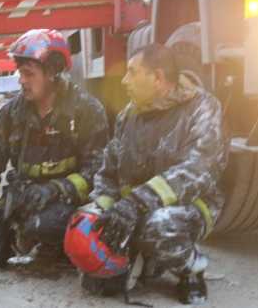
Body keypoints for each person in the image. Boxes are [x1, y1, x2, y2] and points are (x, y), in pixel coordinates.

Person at [70, 44, 228, 304]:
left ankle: (193, 268)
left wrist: (136, 202)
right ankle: (150, 260)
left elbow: (199, 171)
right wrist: (102, 209)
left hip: (190, 205)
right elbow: (108, 171)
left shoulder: (202, 108)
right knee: (99, 280)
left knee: (159, 226)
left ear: (157, 78)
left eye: (132, 72)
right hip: (136, 208)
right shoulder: (128, 115)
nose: (124, 80)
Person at [0, 29, 109, 268]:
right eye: (19, 73)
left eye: (28, 74)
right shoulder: (13, 112)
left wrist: (56, 189)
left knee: (43, 225)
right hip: (24, 197)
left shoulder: (86, 110)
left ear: (52, 73)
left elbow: (99, 170)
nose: (21, 80)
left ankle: (54, 246)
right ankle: (24, 238)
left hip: (66, 200)